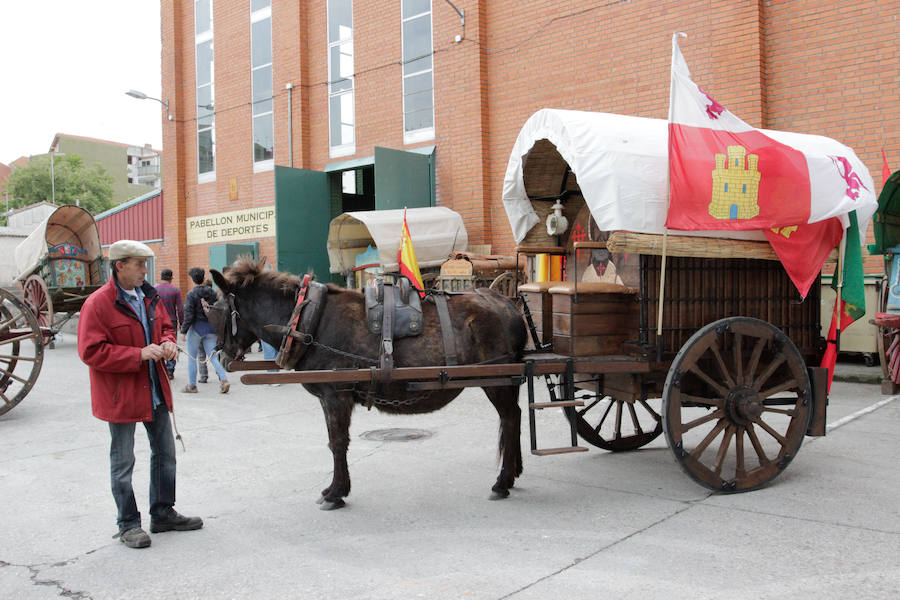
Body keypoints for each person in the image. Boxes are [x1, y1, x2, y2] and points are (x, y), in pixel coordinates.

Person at [77, 240, 203, 550]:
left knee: (165, 455)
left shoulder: (150, 296)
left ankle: (162, 514)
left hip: (155, 390)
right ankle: (128, 525)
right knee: (123, 462)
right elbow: (91, 351)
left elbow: (165, 327)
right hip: (121, 396)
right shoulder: (98, 303)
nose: (145, 271)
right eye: (139, 264)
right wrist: (138, 354)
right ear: (119, 265)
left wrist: (169, 342)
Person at [181, 267, 230, 394]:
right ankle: (224, 380)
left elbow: (189, 314)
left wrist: (183, 331)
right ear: (203, 278)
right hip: (211, 327)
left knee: (192, 358)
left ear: (192, 279)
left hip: (196, 328)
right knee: (213, 357)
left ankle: (192, 385)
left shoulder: (191, 294)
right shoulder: (213, 292)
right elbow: (220, 309)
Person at [155, 268, 184, 379]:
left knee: (157, 342)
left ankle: (160, 368)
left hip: (156, 320)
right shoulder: (175, 290)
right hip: (171, 320)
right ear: (171, 278)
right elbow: (180, 309)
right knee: (171, 344)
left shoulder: (154, 289)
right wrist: (182, 323)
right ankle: (170, 370)